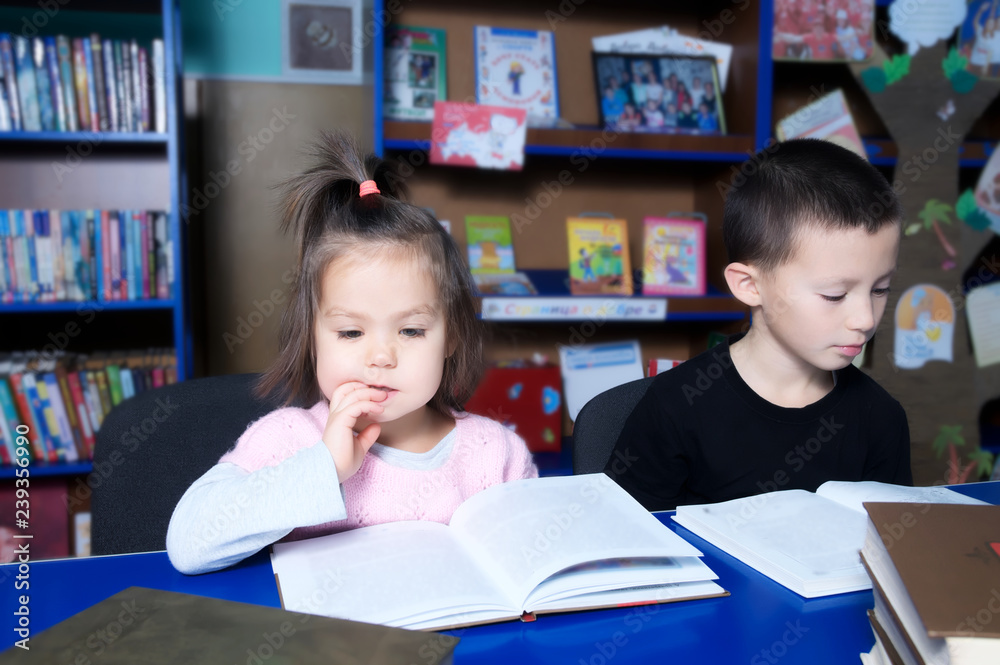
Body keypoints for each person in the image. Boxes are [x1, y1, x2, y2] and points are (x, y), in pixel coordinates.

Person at [167, 132, 538, 574]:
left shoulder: (496, 454)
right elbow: (188, 544)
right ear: (312, 338)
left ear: (452, 337)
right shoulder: (289, 439)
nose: (380, 356)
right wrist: (324, 467)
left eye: (411, 330)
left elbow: (532, 564)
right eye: (350, 332)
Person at [602, 138, 912, 510]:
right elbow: (626, 536)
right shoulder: (674, 408)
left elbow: (887, 538)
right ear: (750, 285)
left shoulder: (882, 419)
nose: (865, 319)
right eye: (835, 295)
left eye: (880, 289)